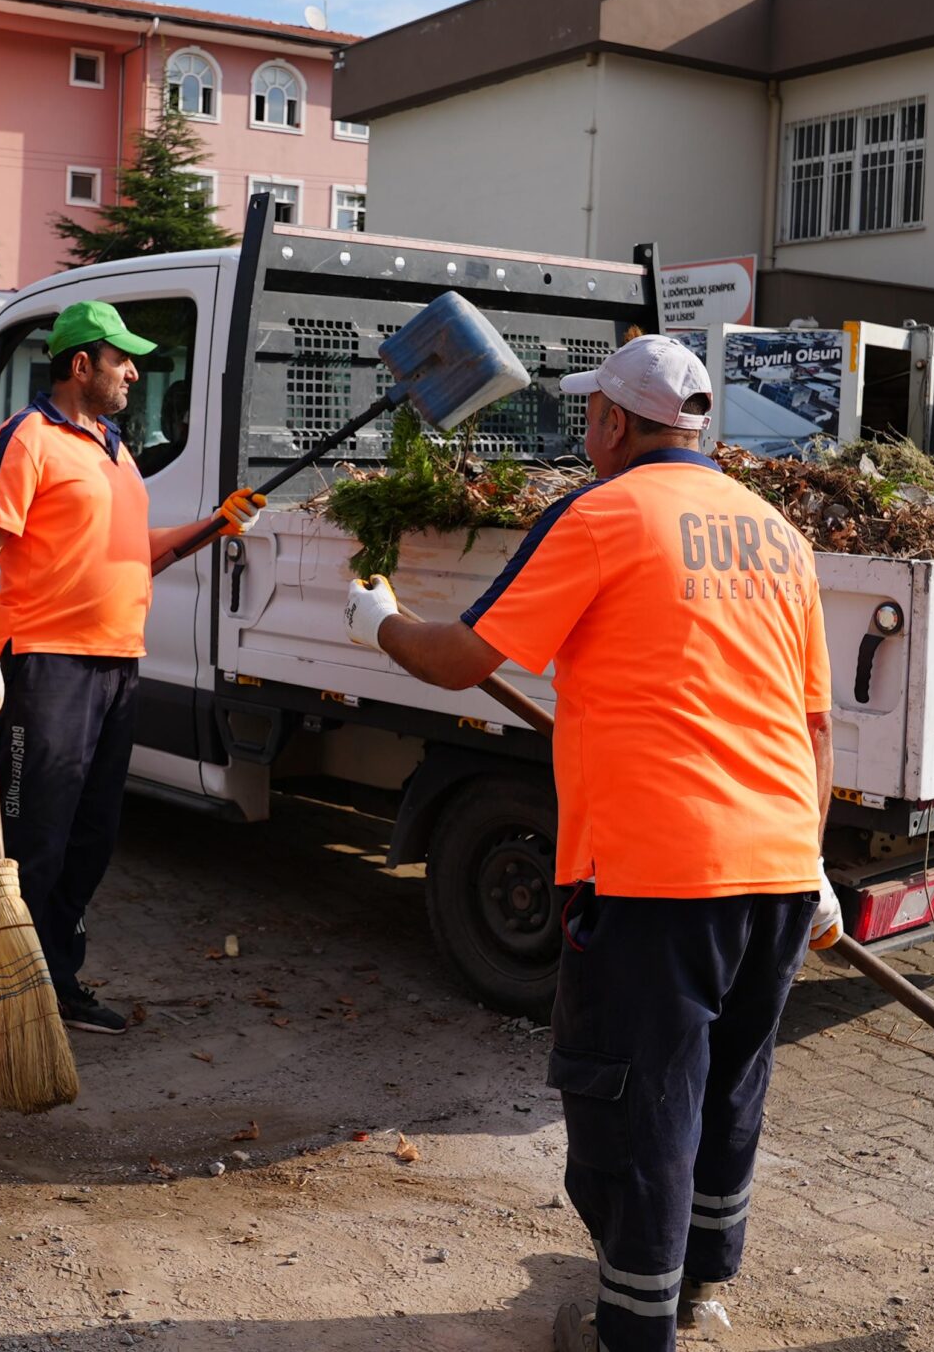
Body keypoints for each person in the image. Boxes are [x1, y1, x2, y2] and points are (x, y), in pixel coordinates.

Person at [344, 335, 841, 1352]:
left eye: (589, 415)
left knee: (636, 1106)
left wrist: (378, 625)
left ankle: (633, 1329)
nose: (586, 431)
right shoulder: (776, 534)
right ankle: (702, 1290)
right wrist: (816, 863)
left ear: (614, 422)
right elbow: (816, 726)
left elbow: (462, 657)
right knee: (726, 1086)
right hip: (782, 865)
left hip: (659, 875)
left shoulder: (602, 514)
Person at [0, 300, 262, 1034]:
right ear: (79, 363)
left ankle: (57, 984)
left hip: (119, 666)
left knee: (90, 841)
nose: (134, 370)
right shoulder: (26, 439)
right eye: (121, 358)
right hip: (46, 670)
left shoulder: (115, 449)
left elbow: (136, 550)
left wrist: (215, 524)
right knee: (31, 849)